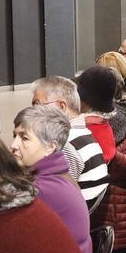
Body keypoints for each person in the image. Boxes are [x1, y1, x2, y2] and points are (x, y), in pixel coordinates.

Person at [79, 67, 126, 253]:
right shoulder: (119, 116)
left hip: (103, 206)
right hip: (116, 204)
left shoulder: (97, 127)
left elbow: (98, 163)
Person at [11, 105, 92, 253]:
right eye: (14, 136)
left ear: (50, 147)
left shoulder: (43, 189)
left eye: (24, 138)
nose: (13, 145)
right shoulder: (58, 173)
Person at [31, 76, 109, 210]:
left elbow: (56, 197)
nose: (33, 111)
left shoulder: (66, 145)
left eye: (38, 104)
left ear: (62, 106)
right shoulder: (83, 134)